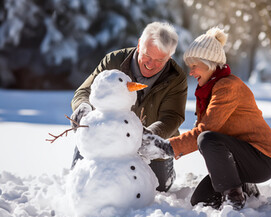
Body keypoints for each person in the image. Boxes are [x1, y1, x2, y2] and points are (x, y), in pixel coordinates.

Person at [142, 27, 271, 210]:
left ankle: (234, 199)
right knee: (201, 200)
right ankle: (244, 186)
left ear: (209, 63)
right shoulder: (209, 90)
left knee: (207, 138)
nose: (191, 72)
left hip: (262, 158)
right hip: (239, 158)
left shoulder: (227, 87)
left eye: (194, 66)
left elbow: (206, 131)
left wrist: (167, 147)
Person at [70, 22, 186, 192]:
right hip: (106, 134)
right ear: (139, 44)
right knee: (81, 182)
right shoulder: (113, 61)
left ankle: (166, 171)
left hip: (150, 140)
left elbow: (172, 116)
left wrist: (149, 135)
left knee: (158, 187)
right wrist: (83, 106)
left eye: (160, 60)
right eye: (147, 56)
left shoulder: (175, 77)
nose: (151, 64)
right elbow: (86, 90)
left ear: (169, 56)